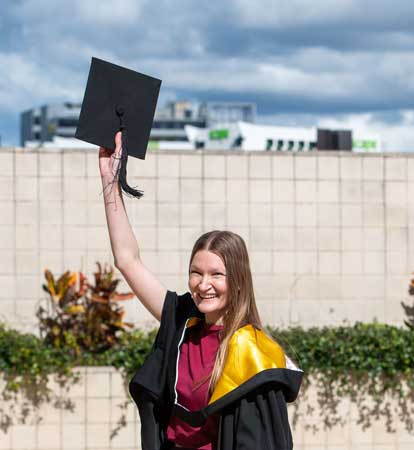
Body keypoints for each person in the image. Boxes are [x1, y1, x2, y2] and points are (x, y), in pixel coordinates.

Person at [99, 132, 303, 450]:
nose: (203, 284)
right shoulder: (182, 323)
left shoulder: (253, 352)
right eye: (196, 272)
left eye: (216, 275)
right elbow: (128, 260)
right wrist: (110, 179)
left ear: (236, 281)